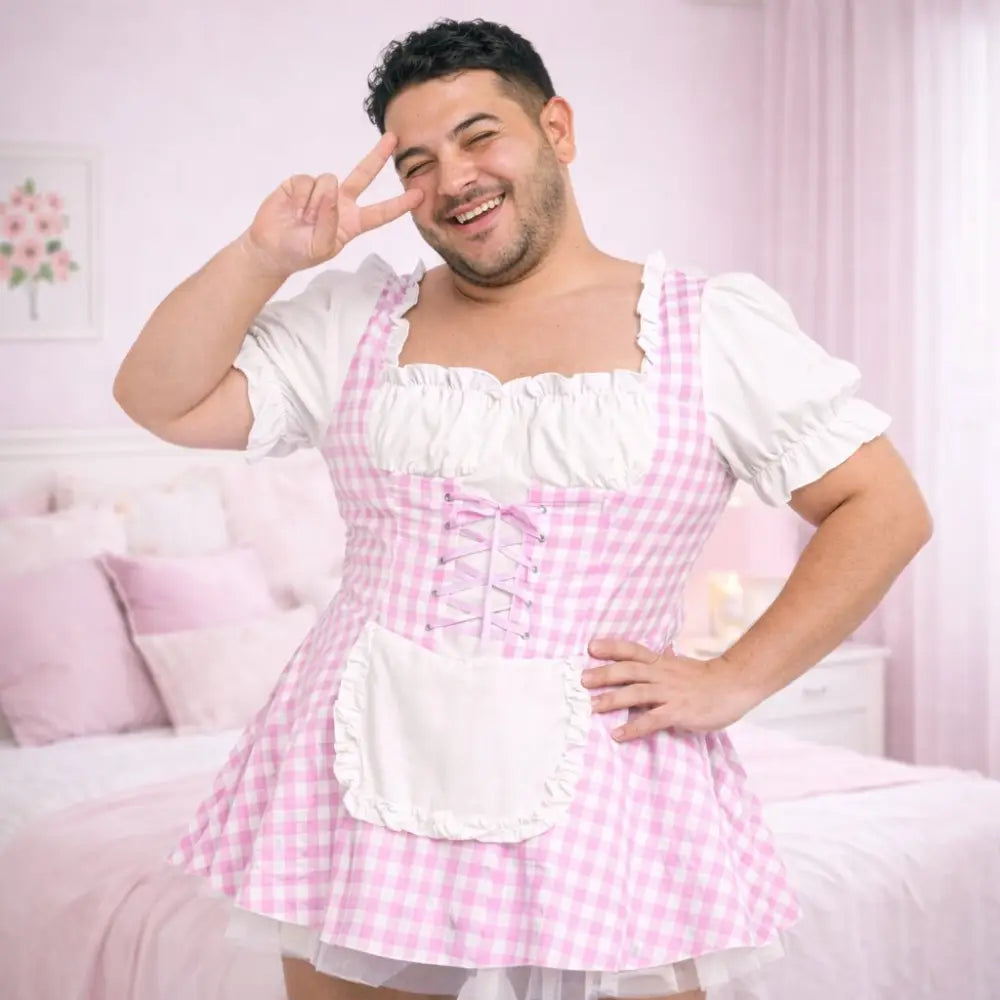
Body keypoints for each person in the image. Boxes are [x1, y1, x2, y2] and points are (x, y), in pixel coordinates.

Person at [113, 18, 933, 1000]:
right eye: (415, 162)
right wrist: (262, 255)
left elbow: (881, 505)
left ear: (557, 128)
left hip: (608, 778)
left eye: (477, 135)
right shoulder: (356, 320)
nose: (452, 177)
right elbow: (159, 395)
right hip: (359, 760)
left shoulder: (707, 328)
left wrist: (735, 678)